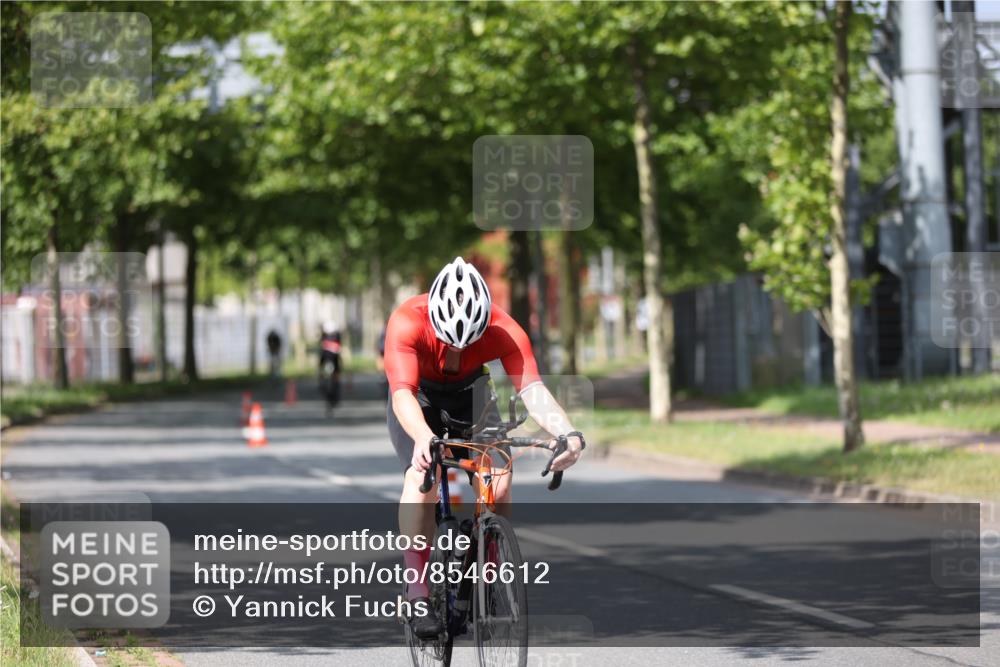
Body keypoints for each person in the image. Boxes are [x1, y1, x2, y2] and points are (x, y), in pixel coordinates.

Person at [384, 256, 584, 639]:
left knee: (501, 477)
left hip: (471, 395)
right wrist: (425, 438)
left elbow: (533, 390)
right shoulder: (406, 321)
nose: (457, 353)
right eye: (449, 342)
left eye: (469, 343)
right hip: (417, 397)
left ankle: (489, 575)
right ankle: (416, 590)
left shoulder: (504, 328)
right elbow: (402, 395)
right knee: (422, 475)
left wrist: (569, 434)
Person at [318, 321, 342, 415]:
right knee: (329, 383)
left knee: (333, 383)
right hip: (329, 363)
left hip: (333, 363)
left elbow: (337, 353)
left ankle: (332, 399)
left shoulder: (335, 338)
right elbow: (323, 354)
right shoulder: (328, 338)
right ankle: (331, 399)